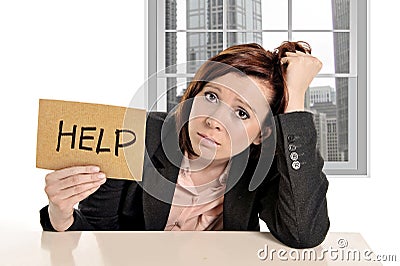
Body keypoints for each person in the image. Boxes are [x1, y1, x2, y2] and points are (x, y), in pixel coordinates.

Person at [40, 41, 330, 249]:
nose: (214, 120)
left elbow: (304, 234)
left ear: (261, 135)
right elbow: (97, 240)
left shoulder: (262, 168)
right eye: (212, 97)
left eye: (242, 113)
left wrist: (294, 102)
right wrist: (61, 214)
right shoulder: (134, 137)